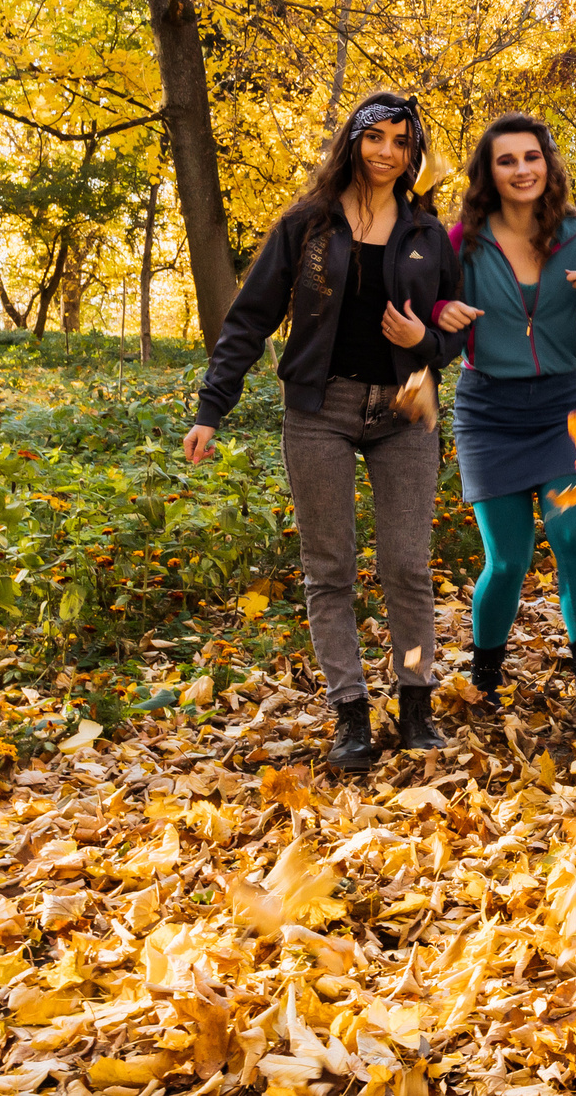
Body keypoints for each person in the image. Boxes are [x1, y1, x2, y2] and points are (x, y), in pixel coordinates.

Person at [183, 93, 460, 770]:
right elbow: (249, 319)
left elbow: (458, 329)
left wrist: (425, 338)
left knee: (406, 564)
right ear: (354, 142)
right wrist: (210, 409)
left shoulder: (427, 234)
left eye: (401, 141)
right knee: (329, 568)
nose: (388, 151)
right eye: (376, 138)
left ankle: (417, 705)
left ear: (412, 152)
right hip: (319, 412)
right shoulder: (306, 225)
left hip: (406, 413)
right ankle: (350, 716)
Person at [434, 113, 576, 731]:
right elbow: (425, 296)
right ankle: (485, 675)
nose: (521, 170)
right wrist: (441, 308)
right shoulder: (461, 241)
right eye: (507, 160)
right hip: (488, 411)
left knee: (574, 538)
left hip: (565, 407)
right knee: (508, 560)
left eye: (531, 158)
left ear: (549, 164)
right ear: (489, 172)